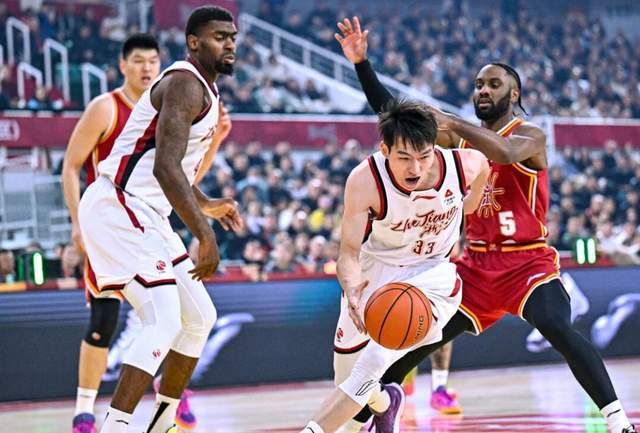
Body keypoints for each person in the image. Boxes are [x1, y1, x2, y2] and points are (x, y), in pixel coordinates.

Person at [336, 17, 636, 433]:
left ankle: (619, 423)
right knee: (405, 346)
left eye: (493, 84)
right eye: (478, 84)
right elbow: (396, 115)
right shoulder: (459, 139)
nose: (482, 90)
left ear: (514, 94)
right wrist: (362, 65)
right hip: (476, 268)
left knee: (556, 326)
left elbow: (506, 154)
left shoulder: (530, 135)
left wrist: (453, 123)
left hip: (527, 262)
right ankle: (373, 415)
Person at [77, 6, 242, 433]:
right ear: (193, 42)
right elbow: (164, 168)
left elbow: (174, 169)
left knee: (199, 316)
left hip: (145, 211)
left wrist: (207, 204)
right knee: (164, 318)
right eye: (219, 37)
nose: (229, 44)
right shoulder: (185, 83)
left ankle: (163, 422)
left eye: (232, 37)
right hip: (118, 204)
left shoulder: (204, 88)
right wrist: (205, 235)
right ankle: (115, 426)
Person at [299, 99, 490, 433]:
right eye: (404, 157)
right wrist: (352, 288)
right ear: (384, 149)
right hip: (374, 274)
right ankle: (387, 403)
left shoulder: (465, 165)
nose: (415, 168)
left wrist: (467, 208)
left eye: (424, 156)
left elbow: (482, 171)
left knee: (365, 374)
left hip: (432, 277)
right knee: (346, 380)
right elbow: (348, 254)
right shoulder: (365, 180)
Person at [62, 34, 162, 433]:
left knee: (169, 317)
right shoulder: (105, 107)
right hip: (106, 228)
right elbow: (71, 166)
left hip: (149, 227)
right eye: (138, 60)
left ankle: (171, 399)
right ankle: (84, 410)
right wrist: (77, 223)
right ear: (123, 65)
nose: (146, 68)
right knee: (103, 320)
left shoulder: (164, 111)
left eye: (152, 60)